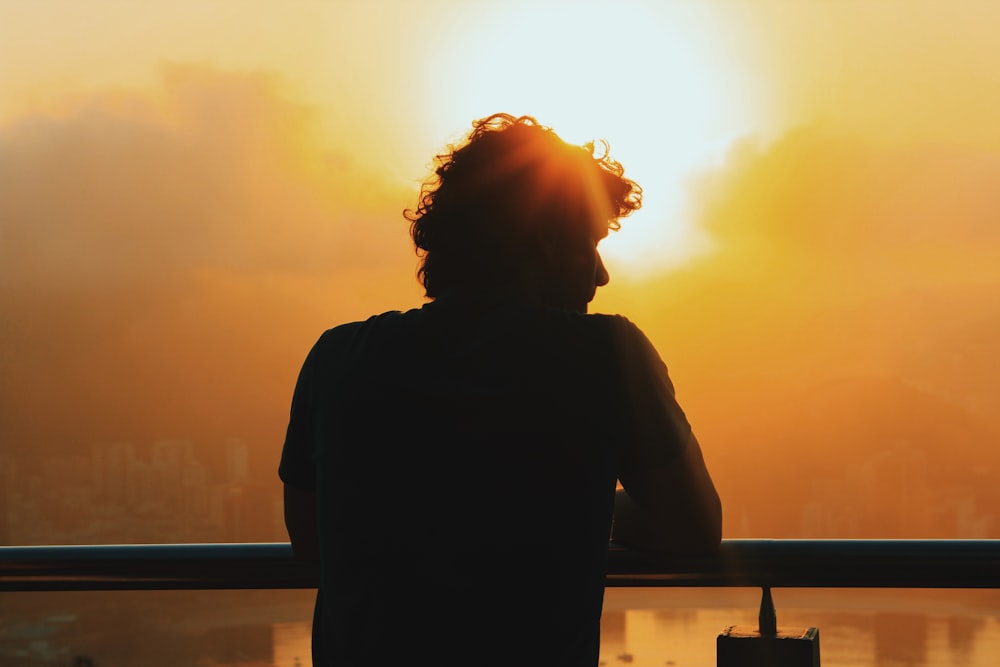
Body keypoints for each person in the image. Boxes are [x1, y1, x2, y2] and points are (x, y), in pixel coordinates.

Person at [278, 113, 721, 667]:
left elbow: (312, 538)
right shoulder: (605, 355)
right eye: (591, 242)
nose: (602, 275)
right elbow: (695, 525)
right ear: (547, 238)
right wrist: (575, 502)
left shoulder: (338, 358)